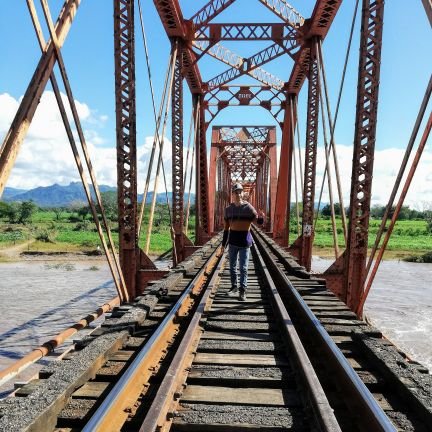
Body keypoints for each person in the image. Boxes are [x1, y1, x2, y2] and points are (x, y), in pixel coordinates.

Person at [221, 183, 264, 301]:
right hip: (233, 242)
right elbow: (226, 229)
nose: (238, 194)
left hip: (245, 243)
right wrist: (223, 245)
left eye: (240, 191)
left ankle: (242, 290)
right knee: (232, 267)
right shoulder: (228, 210)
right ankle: (234, 287)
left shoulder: (249, 208)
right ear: (233, 194)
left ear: (243, 193)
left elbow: (258, 222)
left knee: (243, 268)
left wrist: (261, 217)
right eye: (236, 192)